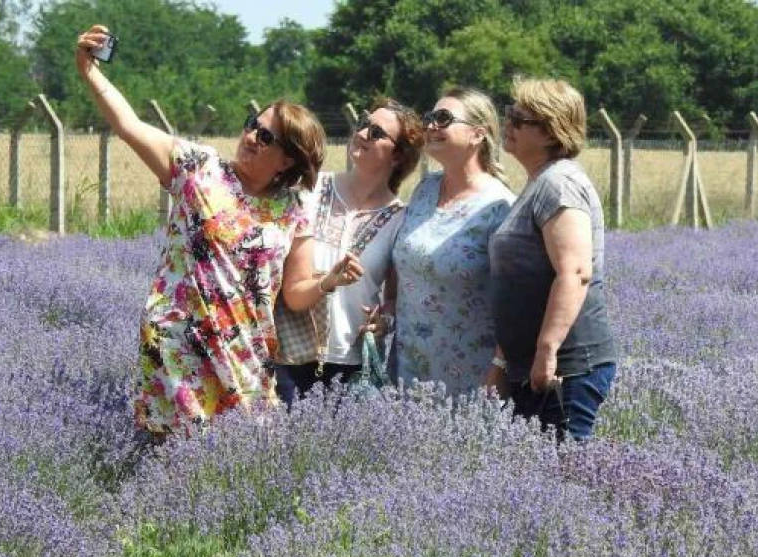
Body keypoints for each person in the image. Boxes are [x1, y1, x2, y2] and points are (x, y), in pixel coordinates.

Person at [76, 25, 357, 437]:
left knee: (241, 459)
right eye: (251, 125)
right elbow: (129, 125)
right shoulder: (198, 169)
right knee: (180, 455)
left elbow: (295, 294)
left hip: (246, 352)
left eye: (266, 136)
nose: (250, 137)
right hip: (179, 344)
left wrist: (328, 281)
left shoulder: (294, 211)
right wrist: (90, 71)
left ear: (287, 161)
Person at [490, 77, 618, 442]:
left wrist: (547, 352)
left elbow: (575, 272)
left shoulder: (558, 184)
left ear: (550, 132)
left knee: (566, 479)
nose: (508, 124)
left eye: (519, 118)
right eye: (508, 114)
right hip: (535, 367)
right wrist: (504, 361)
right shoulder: (539, 183)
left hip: (568, 367)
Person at [274, 98, 425, 404]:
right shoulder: (311, 191)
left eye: (377, 133)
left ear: (398, 157)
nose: (364, 134)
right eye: (364, 125)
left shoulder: (401, 219)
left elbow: (395, 296)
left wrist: (385, 320)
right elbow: (284, 281)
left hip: (352, 365)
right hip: (290, 354)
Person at [389, 87, 516, 397]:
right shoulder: (425, 188)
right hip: (408, 368)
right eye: (430, 117)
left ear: (477, 134)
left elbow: (517, 300)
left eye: (443, 118)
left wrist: (500, 367)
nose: (431, 125)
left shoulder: (499, 207)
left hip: (472, 375)